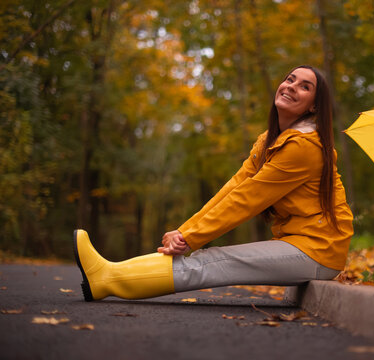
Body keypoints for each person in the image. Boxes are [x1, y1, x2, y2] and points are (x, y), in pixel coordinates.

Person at [74, 65, 354, 301]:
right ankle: (107, 273)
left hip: (318, 250)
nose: (292, 86)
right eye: (290, 79)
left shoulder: (304, 148)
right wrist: (186, 230)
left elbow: (248, 199)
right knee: (207, 258)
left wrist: (192, 238)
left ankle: (108, 280)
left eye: (305, 86)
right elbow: (234, 188)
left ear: (314, 105)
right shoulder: (270, 140)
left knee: (212, 261)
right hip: (298, 242)